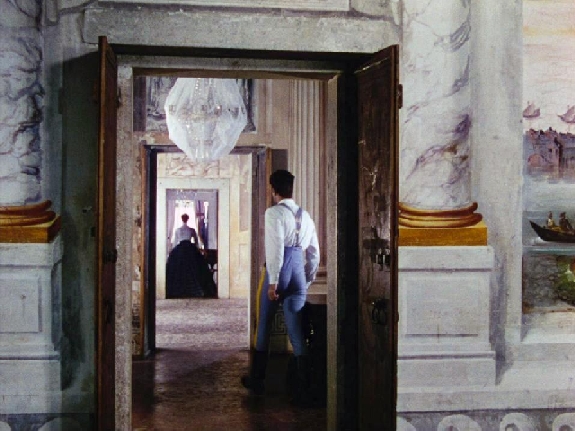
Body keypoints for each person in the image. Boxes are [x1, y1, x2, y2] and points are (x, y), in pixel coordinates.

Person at [241, 169, 320, 406]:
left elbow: (275, 248)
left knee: (264, 325)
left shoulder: (273, 213)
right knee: (296, 333)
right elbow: (314, 253)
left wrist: (274, 281)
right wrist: (306, 280)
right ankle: (303, 388)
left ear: (273, 190)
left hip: (280, 272)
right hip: (298, 272)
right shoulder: (306, 216)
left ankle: (257, 379)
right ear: (291, 189)